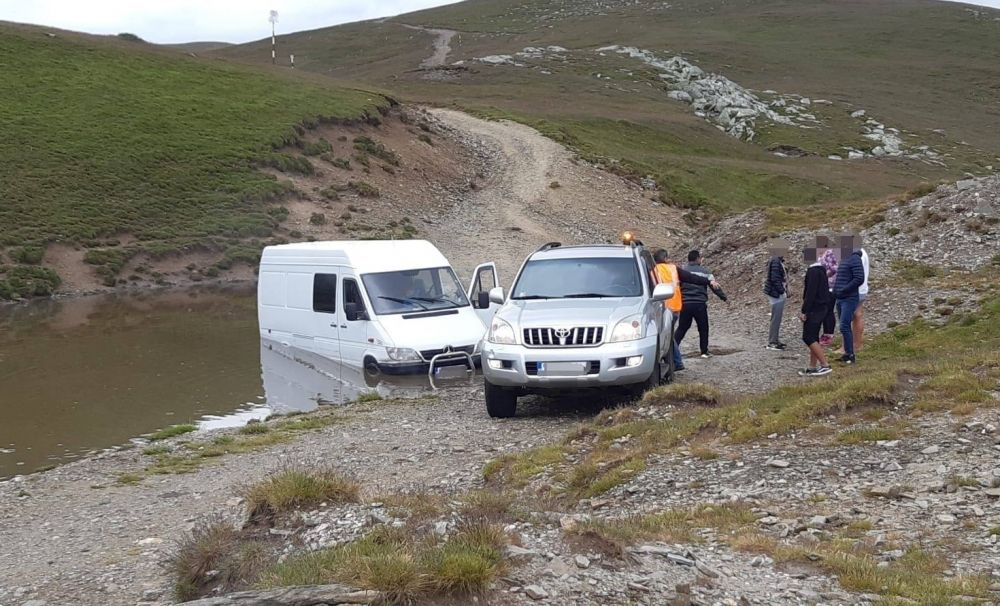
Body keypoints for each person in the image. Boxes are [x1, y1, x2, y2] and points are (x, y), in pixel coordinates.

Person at [652, 249, 717, 372]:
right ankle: (679, 360)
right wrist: (709, 281)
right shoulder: (673, 269)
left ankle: (675, 361)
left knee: (671, 334)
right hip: (674, 307)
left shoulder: (651, 270)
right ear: (665, 258)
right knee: (671, 335)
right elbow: (692, 278)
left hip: (659, 308)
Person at [676, 250, 726, 358]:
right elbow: (714, 286)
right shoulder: (706, 271)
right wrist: (723, 297)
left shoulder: (682, 270)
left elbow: (677, 285)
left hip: (685, 304)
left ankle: (673, 349)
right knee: (703, 328)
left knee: (682, 328)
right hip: (699, 304)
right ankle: (704, 352)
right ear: (698, 258)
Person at [799, 242, 832, 376]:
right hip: (823, 307)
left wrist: (804, 311)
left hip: (815, 308)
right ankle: (812, 366)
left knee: (808, 337)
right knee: (814, 337)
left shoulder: (812, 271)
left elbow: (810, 294)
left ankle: (825, 364)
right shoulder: (821, 269)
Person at [832, 236, 866, 364]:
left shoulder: (855, 258)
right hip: (841, 297)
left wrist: (844, 290)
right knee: (843, 326)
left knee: (844, 325)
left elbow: (859, 278)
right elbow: (840, 277)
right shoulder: (844, 258)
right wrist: (835, 292)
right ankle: (847, 353)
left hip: (849, 298)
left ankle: (850, 354)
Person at [763, 240, 790, 350]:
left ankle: (774, 340)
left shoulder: (777, 260)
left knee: (776, 317)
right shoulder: (775, 260)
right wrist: (782, 291)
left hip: (775, 292)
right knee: (776, 318)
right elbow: (775, 278)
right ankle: (772, 342)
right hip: (776, 293)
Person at [819, 244, 838, 346]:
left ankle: (829, 334)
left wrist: (824, 275)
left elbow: (835, 268)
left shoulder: (830, 253)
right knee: (824, 310)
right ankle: (825, 333)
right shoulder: (822, 254)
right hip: (824, 286)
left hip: (830, 286)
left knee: (828, 310)